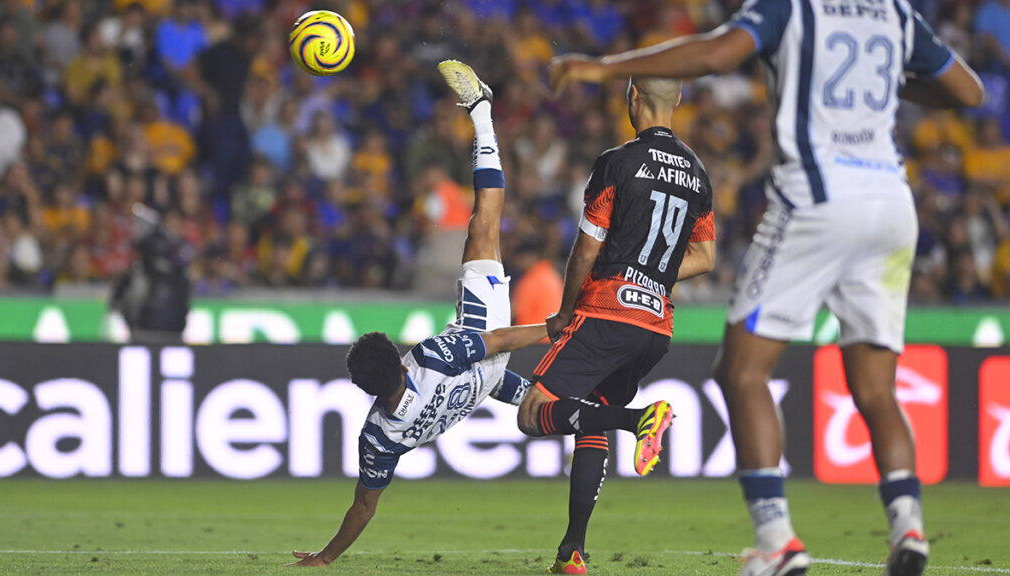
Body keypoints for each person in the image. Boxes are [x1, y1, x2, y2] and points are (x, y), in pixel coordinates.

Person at [549, 2, 985, 575]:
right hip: (893, 204)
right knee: (877, 388)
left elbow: (711, 53)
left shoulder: (793, 8)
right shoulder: (896, 13)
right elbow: (968, 93)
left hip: (817, 196)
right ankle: (909, 525)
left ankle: (776, 537)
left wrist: (602, 67)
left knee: (742, 371)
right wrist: (881, 94)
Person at [288, 61, 547, 568]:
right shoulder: (429, 358)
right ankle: (483, 111)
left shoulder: (378, 437)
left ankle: (600, 418)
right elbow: (496, 341)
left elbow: (364, 507)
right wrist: (558, 326)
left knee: (536, 407)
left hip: (480, 387)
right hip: (480, 344)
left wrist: (325, 557)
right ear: (402, 363)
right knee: (484, 221)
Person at [515, 76, 717, 574]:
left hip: (606, 311)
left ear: (633, 98)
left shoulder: (618, 161)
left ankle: (639, 420)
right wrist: (653, 275)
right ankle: (572, 553)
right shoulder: (697, 173)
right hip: (655, 327)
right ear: (680, 101)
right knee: (593, 416)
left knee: (532, 412)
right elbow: (705, 256)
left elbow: (587, 247)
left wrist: (565, 311)